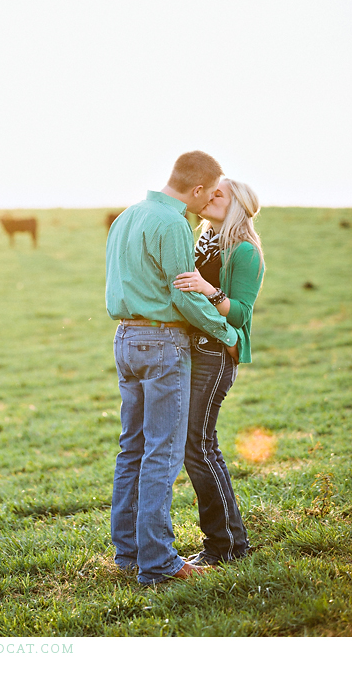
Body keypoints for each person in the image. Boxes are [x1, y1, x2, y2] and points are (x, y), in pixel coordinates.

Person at [105, 150, 239, 586]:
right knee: (162, 451)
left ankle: (128, 553)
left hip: (125, 338)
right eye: (210, 194)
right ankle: (159, 562)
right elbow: (183, 294)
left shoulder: (128, 215)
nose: (210, 202)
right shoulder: (173, 223)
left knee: (133, 449)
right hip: (162, 341)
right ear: (196, 189)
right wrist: (226, 330)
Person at [173, 178, 265, 566]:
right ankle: (228, 542)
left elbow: (242, 312)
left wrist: (208, 289)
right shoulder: (204, 243)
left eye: (219, 194)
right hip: (193, 350)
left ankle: (224, 545)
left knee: (198, 446)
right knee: (199, 446)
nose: (210, 197)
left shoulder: (245, 251)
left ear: (237, 205)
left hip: (215, 356)